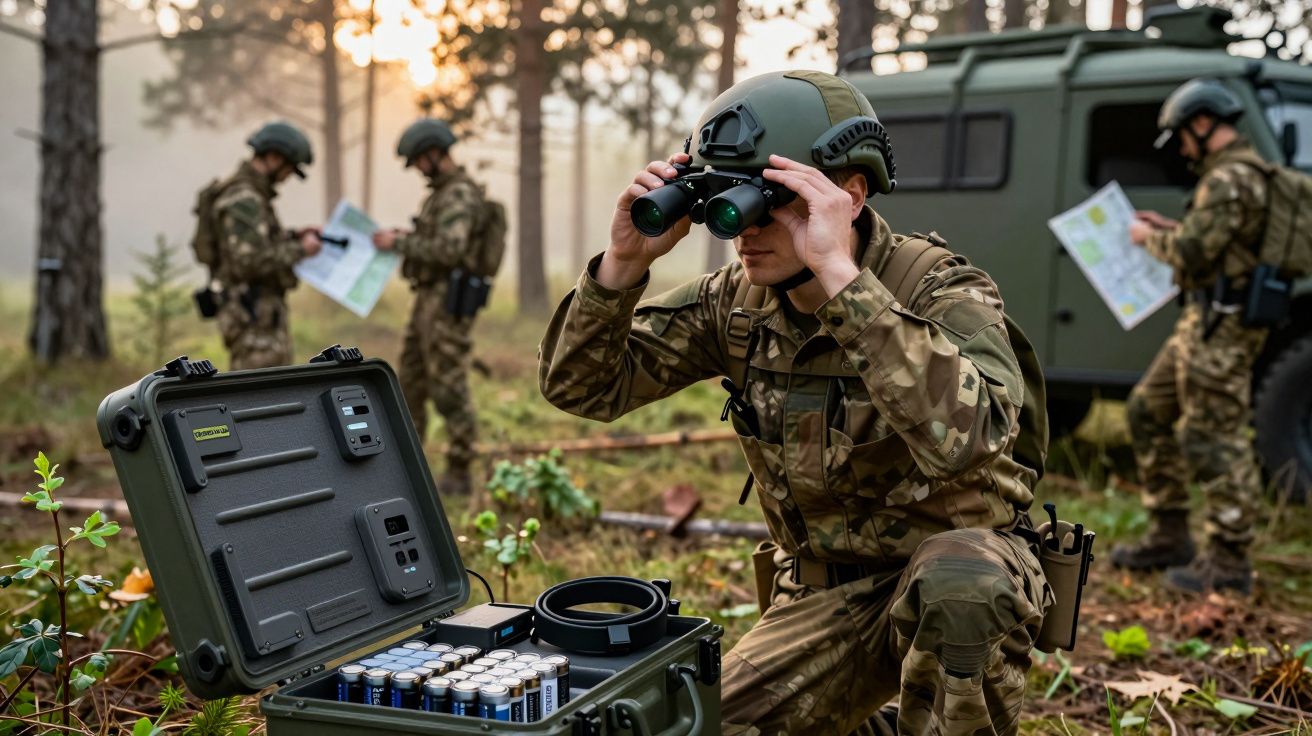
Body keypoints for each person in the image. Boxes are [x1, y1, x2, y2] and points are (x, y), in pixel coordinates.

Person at [538, 71, 1050, 735]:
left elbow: (975, 438)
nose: (742, 229)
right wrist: (623, 264)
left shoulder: (938, 288)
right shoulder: (736, 303)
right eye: (724, 199)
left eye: (767, 199)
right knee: (694, 727)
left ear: (849, 194)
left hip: (957, 582)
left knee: (961, 583)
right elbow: (580, 385)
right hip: (821, 600)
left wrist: (843, 284)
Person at [1112, 79, 1270, 594]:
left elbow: (1196, 255)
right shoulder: (1227, 179)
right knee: (1146, 411)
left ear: (1203, 124)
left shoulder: (1232, 179)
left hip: (1222, 328)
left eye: (1182, 135)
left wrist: (1147, 237)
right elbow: (1214, 242)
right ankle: (1171, 534)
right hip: (1200, 322)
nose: (1181, 148)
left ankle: (1229, 563)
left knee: (1213, 436)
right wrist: (1170, 226)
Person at [374, 119, 488, 495]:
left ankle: (459, 470)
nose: (419, 170)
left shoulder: (458, 195)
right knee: (410, 382)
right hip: (427, 301)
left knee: (448, 386)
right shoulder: (441, 194)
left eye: (420, 161)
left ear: (435, 153)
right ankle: (407, 467)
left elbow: (449, 250)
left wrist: (400, 245)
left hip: (447, 306)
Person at [202, 121, 321, 370]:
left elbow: (255, 243)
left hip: (261, 316)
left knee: (272, 395)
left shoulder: (253, 196)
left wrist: (293, 237)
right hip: (252, 318)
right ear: (274, 157)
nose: (288, 177)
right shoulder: (244, 198)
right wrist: (301, 250)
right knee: (259, 398)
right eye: (289, 169)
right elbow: (247, 261)